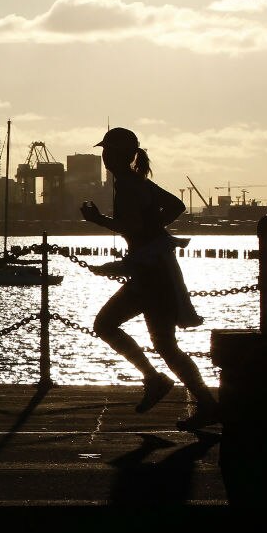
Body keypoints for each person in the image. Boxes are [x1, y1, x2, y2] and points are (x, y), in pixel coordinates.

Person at [81, 127, 220, 431]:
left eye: (108, 152)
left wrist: (100, 223)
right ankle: (204, 402)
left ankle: (155, 379)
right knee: (167, 345)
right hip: (156, 271)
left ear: (120, 156)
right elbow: (175, 206)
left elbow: (134, 228)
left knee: (106, 326)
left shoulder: (129, 187)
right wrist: (154, 226)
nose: (104, 157)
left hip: (148, 275)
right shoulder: (138, 183)